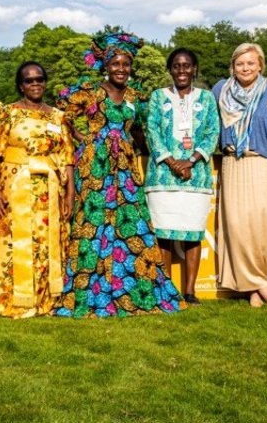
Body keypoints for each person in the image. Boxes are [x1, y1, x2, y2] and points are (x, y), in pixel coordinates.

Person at [53, 28, 185, 318]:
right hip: (94, 171)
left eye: (126, 64)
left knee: (130, 228)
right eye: (116, 64)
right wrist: (84, 138)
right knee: (93, 225)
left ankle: (133, 291)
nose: (121, 69)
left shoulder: (135, 97)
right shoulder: (87, 92)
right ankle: (92, 293)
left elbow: (139, 131)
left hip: (125, 171)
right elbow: (61, 115)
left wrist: (162, 158)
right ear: (105, 65)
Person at [0, 61, 76, 318]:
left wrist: (70, 193)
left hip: (50, 190)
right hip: (15, 186)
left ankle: (46, 299)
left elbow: (67, 157)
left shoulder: (58, 116)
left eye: (39, 79)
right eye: (29, 80)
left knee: (47, 243)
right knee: (16, 241)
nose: (35, 83)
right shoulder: (7, 113)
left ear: (45, 82)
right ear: (20, 85)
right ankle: (16, 299)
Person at [212, 43, 267, 308]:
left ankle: (255, 286)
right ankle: (262, 285)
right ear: (233, 66)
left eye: (250, 63)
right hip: (234, 163)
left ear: (260, 65)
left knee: (265, 229)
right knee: (237, 228)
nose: (245, 68)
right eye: (240, 64)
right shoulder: (220, 91)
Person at [144, 48, 220, 304]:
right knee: (164, 234)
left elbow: (212, 132)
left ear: (195, 69)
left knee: (193, 232)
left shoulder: (207, 98)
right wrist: (172, 161)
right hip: (163, 175)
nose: (182, 70)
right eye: (176, 66)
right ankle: (166, 291)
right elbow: (151, 129)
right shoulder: (158, 97)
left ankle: (190, 291)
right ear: (170, 70)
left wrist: (190, 161)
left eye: (187, 66)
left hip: (195, 175)